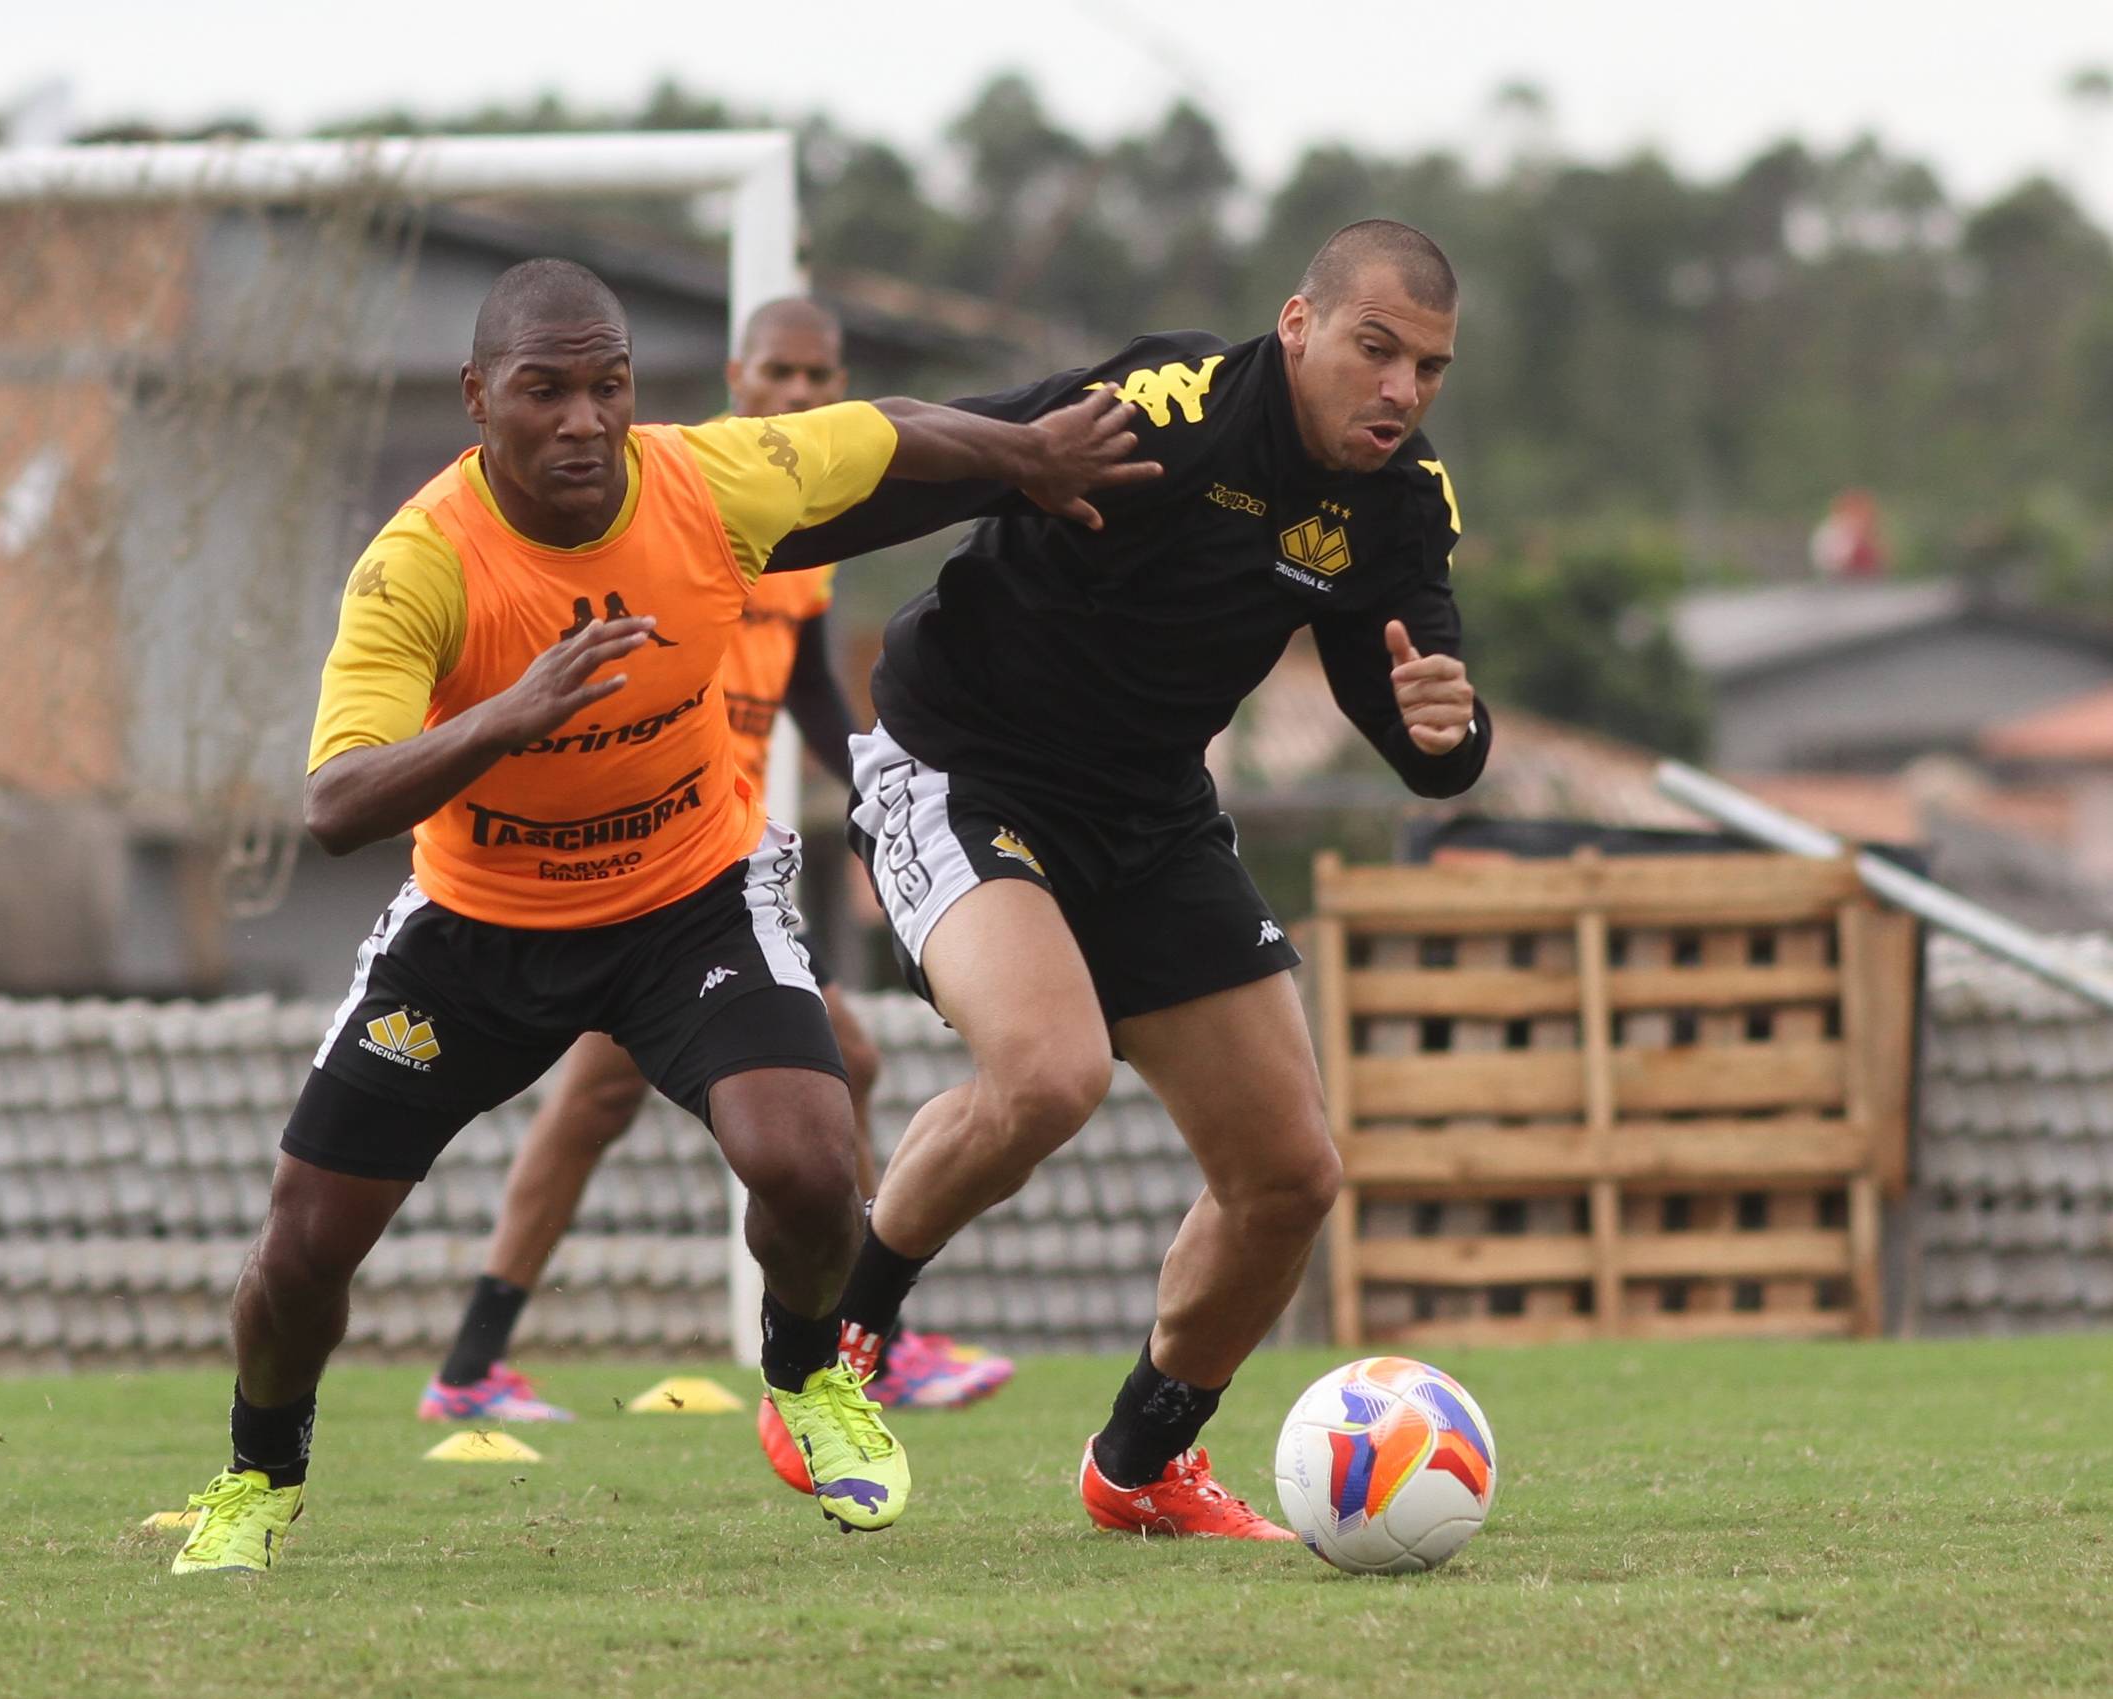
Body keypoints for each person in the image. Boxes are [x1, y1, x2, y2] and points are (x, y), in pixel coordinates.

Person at [166, 259, 1157, 1572]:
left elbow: (887, 431)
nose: (584, 419)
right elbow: (335, 803)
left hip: (687, 899)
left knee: (810, 1165)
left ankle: (806, 1375)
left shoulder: (705, 480)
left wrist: (1026, 452)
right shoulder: (418, 563)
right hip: (476, 929)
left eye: (610, 385)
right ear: (478, 398)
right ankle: (259, 1472)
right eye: (545, 389)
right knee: (303, 1247)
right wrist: (512, 711)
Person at [755, 220, 1490, 1538]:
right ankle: (829, 1351)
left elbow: (1412, 714)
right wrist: (739, 534)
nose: (1400, 391)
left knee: (1289, 1174)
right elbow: (958, 460)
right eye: (1375, 350)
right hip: (964, 766)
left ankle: (1142, 1462)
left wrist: (1451, 732)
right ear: (1298, 325)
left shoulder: (1398, 499)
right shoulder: (1171, 408)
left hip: (1150, 818)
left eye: (1428, 369)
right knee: (1050, 1075)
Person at [416, 298, 1013, 1428]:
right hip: (636, 860)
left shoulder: (798, 544)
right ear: (738, 376)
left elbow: (809, 693)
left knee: (768, 1076)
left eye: (819, 375)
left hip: (718, 865)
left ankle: (477, 1362)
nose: (800, 393)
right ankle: (861, 1338)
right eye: (780, 372)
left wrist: (890, 781)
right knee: (651, 1092)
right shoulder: (687, 500)